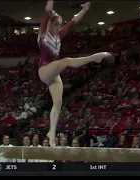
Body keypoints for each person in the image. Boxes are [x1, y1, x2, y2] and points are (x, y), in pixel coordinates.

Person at [38, 0, 111, 147]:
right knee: (65, 61)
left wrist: (84, 11)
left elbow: (73, 21)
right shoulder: (42, 33)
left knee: (58, 102)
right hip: (44, 70)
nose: (59, 27)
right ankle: (95, 58)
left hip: (54, 72)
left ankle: (51, 135)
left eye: (60, 24)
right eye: (56, 24)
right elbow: (47, 11)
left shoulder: (59, 36)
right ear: (50, 24)